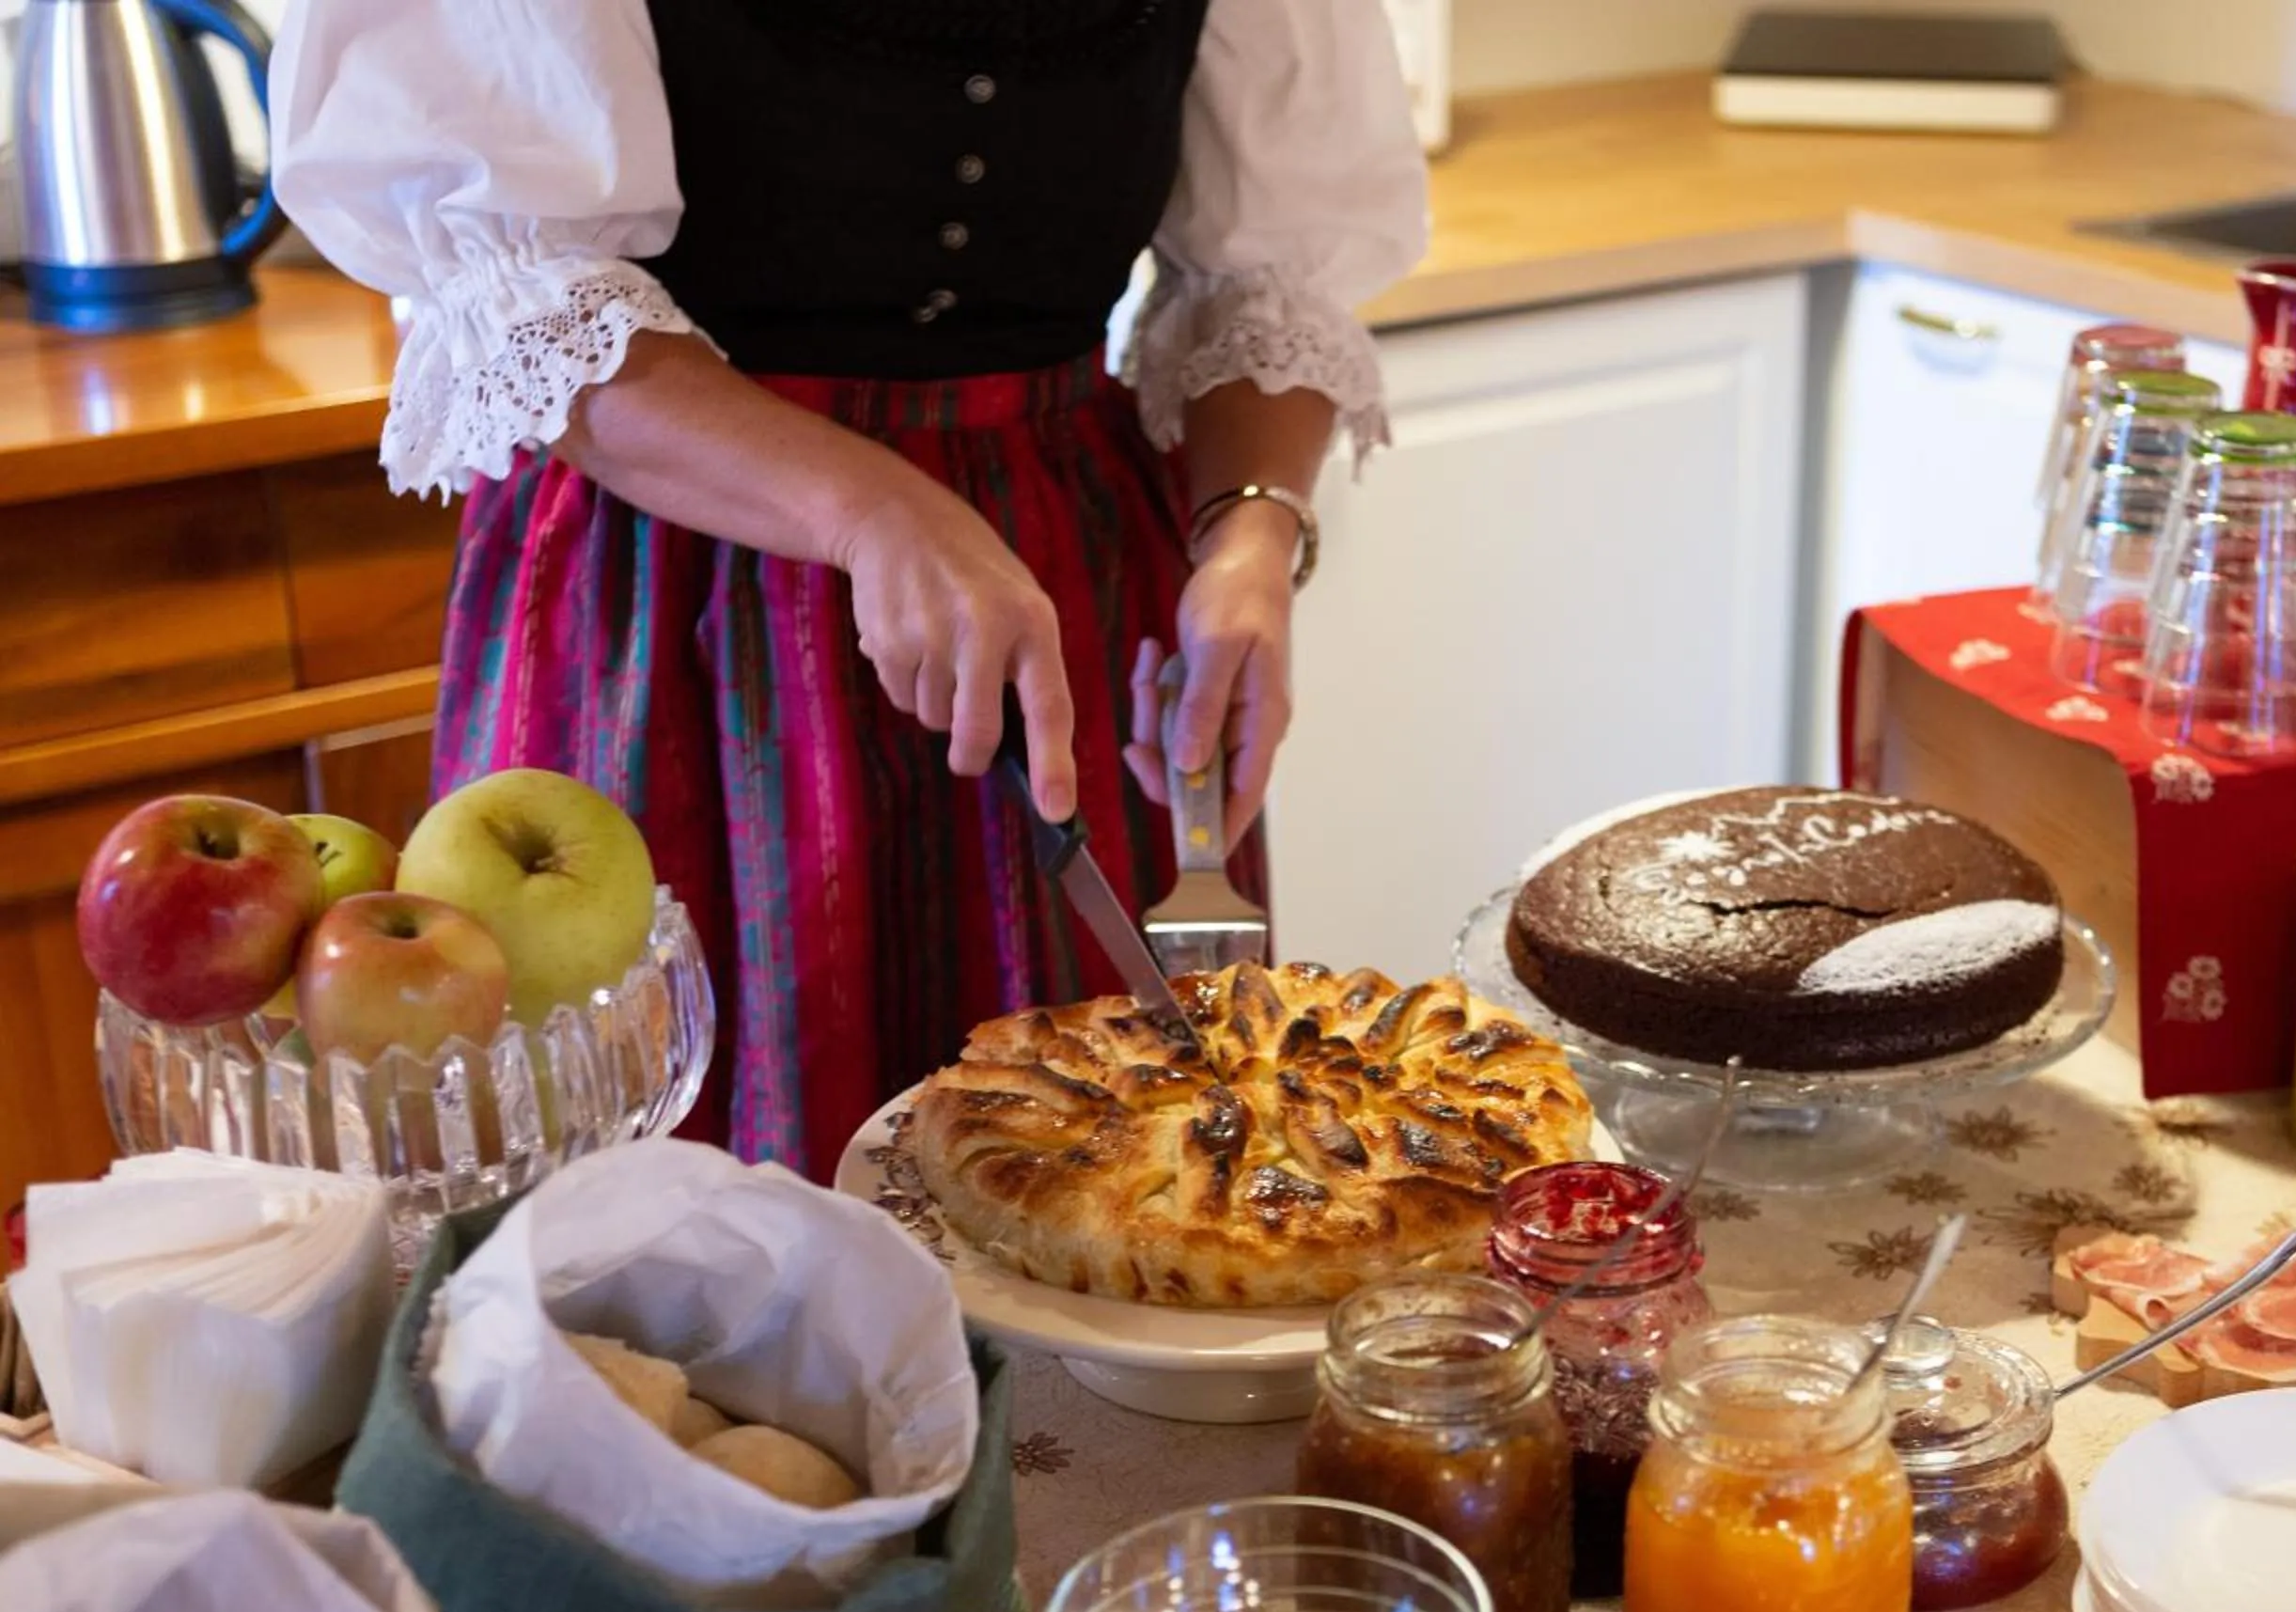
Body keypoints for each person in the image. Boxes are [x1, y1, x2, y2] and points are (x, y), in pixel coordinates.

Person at [270, 0, 1428, 1176]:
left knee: (1124, 1179)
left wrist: (1249, 533)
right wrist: (870, 509)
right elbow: (530, 300)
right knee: (690, 1222)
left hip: (1066, 574)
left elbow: (1267, 279)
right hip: (683, 571)